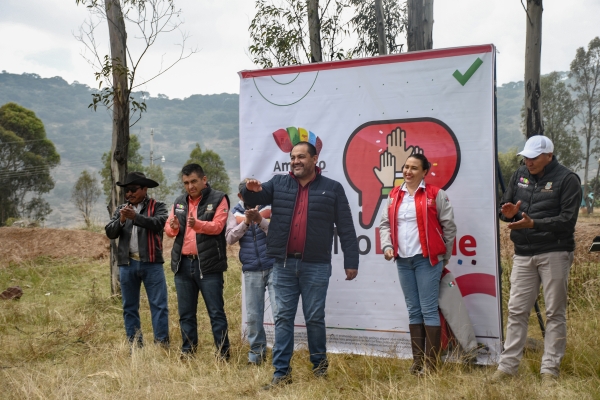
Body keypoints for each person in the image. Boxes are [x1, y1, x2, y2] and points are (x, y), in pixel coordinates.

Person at [241, 141, 359, 389]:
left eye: (301, 157)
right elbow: (255, 195)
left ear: (315, 159)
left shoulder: (333, 188)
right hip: (282, 265)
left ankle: (319, 370)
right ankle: (281, 374)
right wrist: (248, 188)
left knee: (315, 318)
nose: (295, 161)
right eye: (293, 157)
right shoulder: (278, 183)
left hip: (316, 265)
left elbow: (347, 228)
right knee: (283, 318)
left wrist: (351, 260)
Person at [492, 135, 581, 384]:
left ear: (549, 156)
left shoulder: (568, 179)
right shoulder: (519, 174)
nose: (528, 162)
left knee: (555, 313)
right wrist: (506, 214)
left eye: (534, 157)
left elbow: (567, 220)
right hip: (523, 253)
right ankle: (507, 367)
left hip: (555, 251)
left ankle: (549, 370)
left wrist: (535, 223)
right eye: (526, 157)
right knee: (517, 310)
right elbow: (505, 207)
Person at [379, 153, 457, 374]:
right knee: (414, 310)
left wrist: (444, 257)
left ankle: (431, 366)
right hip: (403, 260)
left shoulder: (436, 194)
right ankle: (417, 363)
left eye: (414, 168)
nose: (408, 171)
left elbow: (449, 228)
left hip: (427, 260)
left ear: (424, 172)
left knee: (428, 309)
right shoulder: (395, 194)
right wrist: (387, 246)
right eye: (405, 167)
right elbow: (385, 224)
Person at [164, 163, 231, 359]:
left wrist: (198, 224)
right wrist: (174, 226)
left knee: (216, 312)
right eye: (186, 183)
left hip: (208, 264)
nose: (190, 186)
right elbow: (169, 231)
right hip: (183, 264)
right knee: (185, 313)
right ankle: (188, 351)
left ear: (204, 179)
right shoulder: (179, 202)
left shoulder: (219, 198)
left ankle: (223, 353)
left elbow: (218, 227)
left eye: (194, 181)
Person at [105, 172, 170, 348]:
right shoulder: (121, 209)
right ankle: (135, 345)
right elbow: (110, 232)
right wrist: (122, 219)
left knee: (159, 305)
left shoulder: (159, 206)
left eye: (133, 190)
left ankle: (161, 344)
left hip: (152, 263)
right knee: (129, 307)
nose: (129, 194)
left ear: (144, 189)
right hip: (127, 264)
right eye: (127, 191)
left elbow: (159, 223)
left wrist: (136, 218)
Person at [225, 180, 276, 365]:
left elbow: (278, 233)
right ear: (240, 196)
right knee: (253, 316)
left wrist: (259, 220)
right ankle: (256, 356)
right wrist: (246, 222)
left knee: (280, 313)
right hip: (251, 269)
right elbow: (230, 238)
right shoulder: (234, 213)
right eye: (247, 193)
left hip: (274, 266)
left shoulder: (270, 207)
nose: (252, 196)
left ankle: (280, 355)